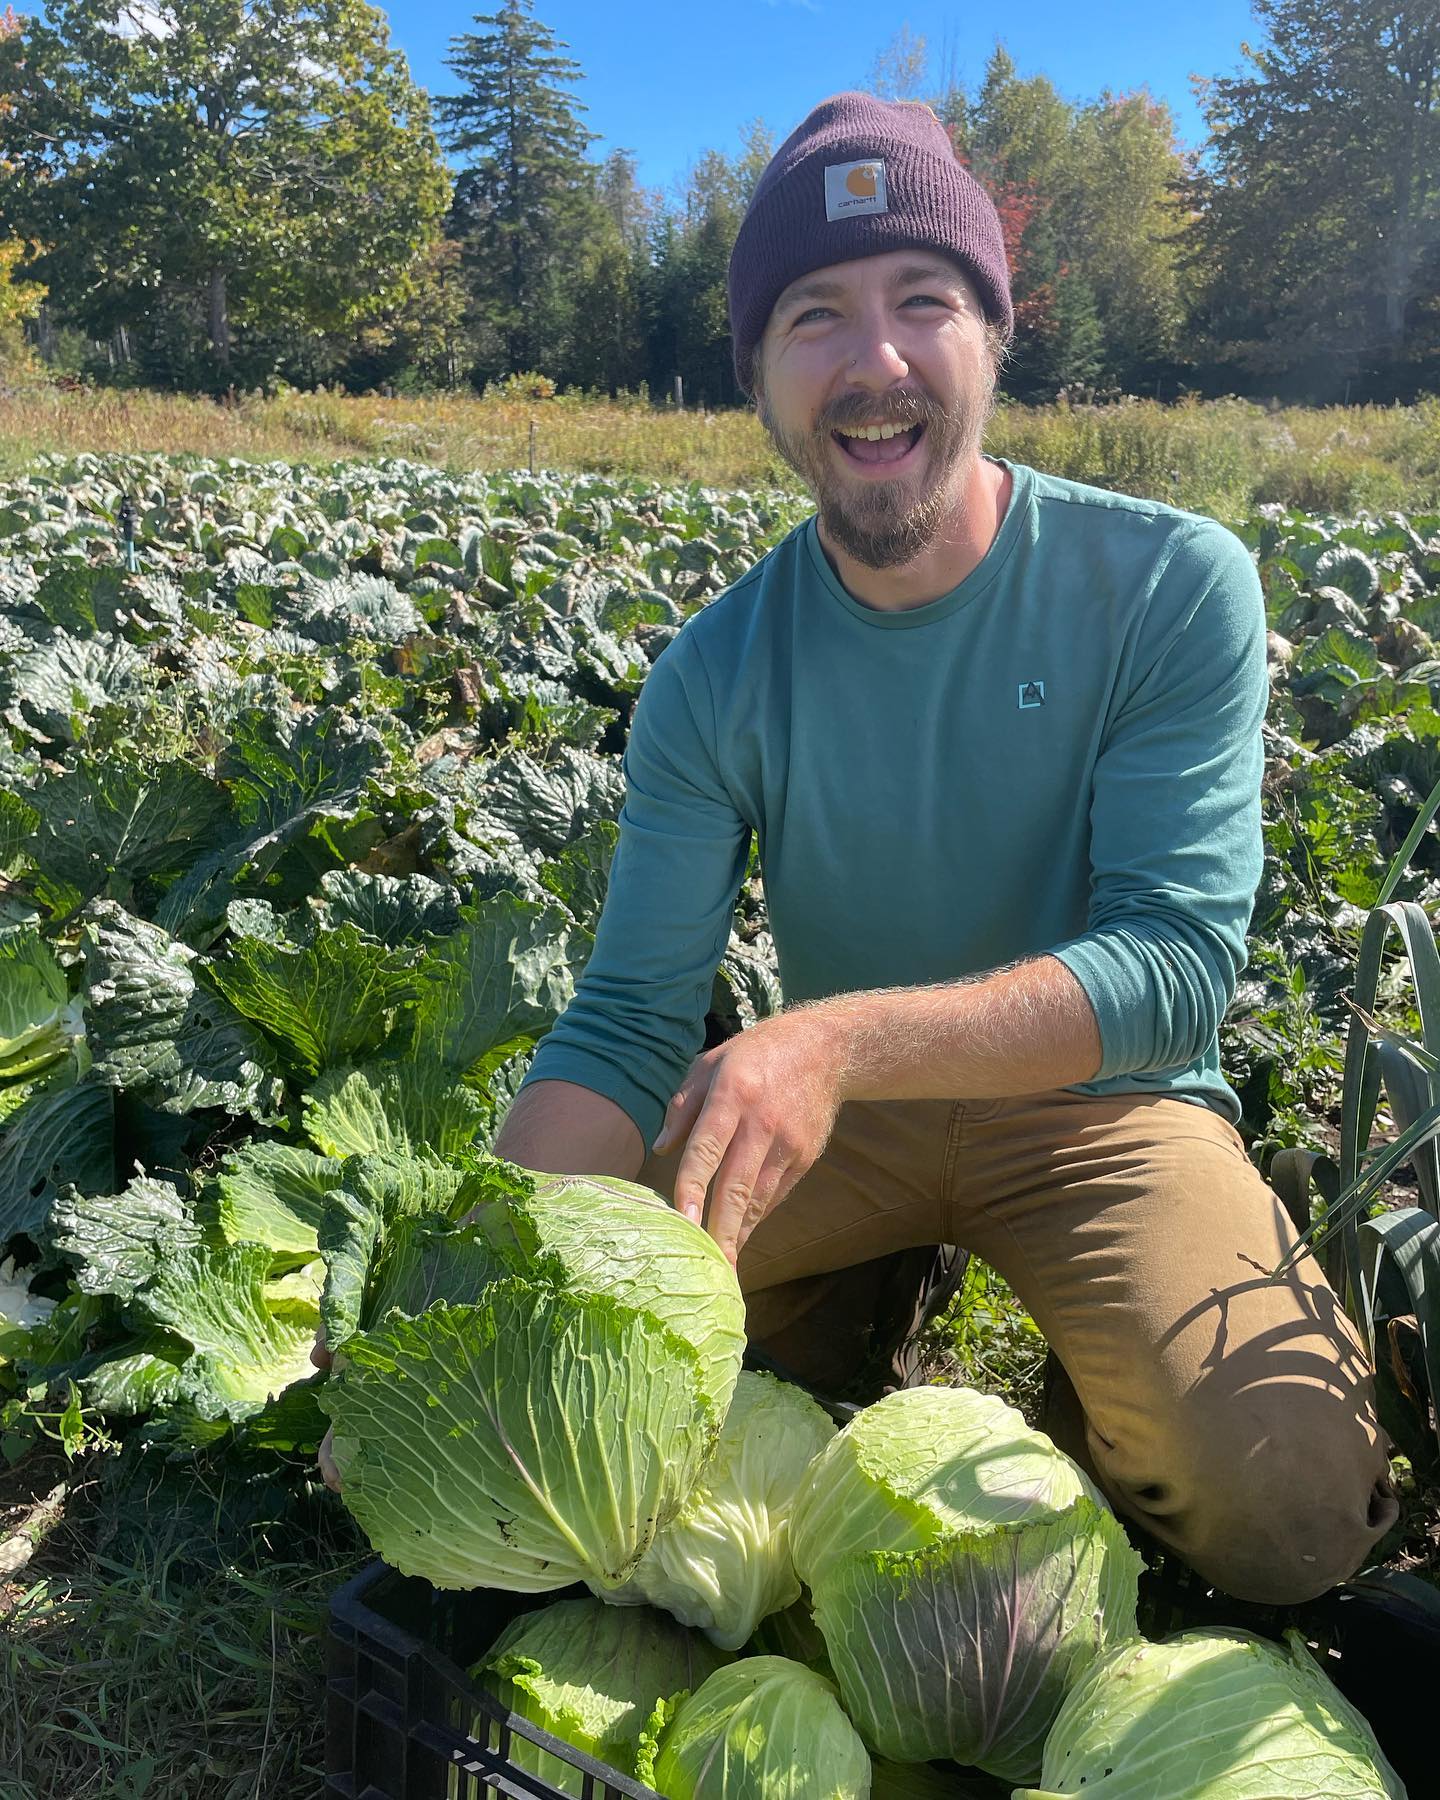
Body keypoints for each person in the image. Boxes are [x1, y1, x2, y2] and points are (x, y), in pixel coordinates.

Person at [322, 91, 1399, 1605]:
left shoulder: (1166, 583)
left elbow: (1173, 973)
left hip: (1100, 1109)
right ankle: (842, 1297)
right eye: (814, 316)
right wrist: (451, 1304)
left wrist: (828, 1046)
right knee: (559, 1363)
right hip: (838, 1122)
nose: (874, 358)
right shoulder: (716, 671)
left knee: (1283, 1508)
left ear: (992, 337)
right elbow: (630, 1020)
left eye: (924, 302)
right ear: (760, 375)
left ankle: (1096, 1400)